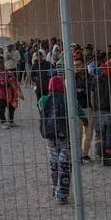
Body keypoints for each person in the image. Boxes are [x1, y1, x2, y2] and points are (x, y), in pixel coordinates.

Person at [37, 75, 87, 204]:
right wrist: (85, 121)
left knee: (54, 162)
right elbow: (80, 113)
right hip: (65, 136)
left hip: (50, 137)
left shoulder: (43, 100)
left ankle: (55, 189)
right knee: (64, 163)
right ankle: (62, 194)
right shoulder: (68, 100)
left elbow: (41, 110)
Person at [93, 52, 111, 166]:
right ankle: (108, 159)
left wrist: (95, 108)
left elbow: (92, 95)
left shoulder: (97, 80)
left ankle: (99, 155)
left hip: (100, 112)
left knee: (100, 135)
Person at [0, 59, 21, 128]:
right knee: (2, 108)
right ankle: (3, 122)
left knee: (11, 107)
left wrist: (9, 81)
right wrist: (10, 80)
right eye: (0, 63)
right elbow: (1, 82)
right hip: (1, 93)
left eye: (3, 63)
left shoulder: (8, 72)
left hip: (10, 93)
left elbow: (14, 79)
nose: (2, 65)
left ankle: (11, 121)